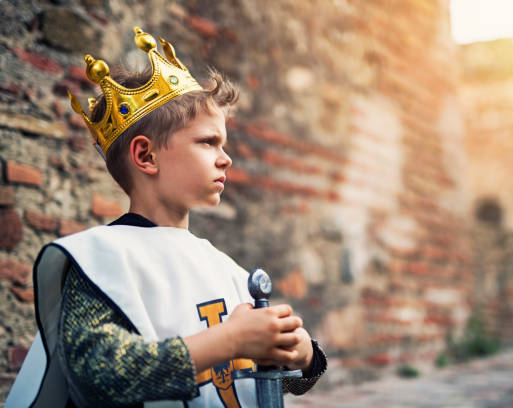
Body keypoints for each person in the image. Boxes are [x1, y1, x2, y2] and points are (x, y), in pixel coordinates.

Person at [6, 27, 326, 408]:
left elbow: (271, 380)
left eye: (223, 144)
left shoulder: (223, 267)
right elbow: (97, 374)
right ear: (146, 157)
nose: (226, 159)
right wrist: (230, 340)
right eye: (208, 142)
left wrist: (303, 355)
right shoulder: (100, 261)